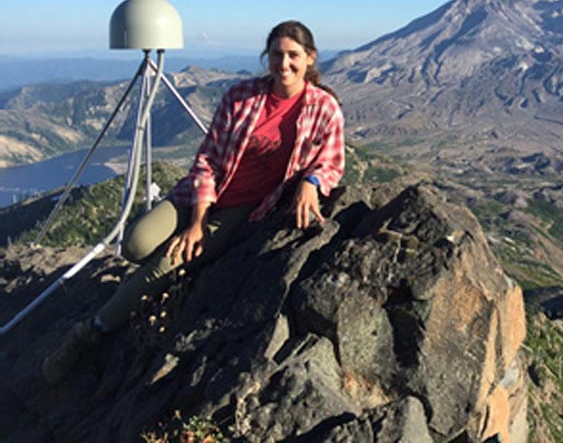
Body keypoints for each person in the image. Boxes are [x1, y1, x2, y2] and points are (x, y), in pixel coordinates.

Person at [42, 20, 344, 383]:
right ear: (267, 56)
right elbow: (207, 160)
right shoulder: (242, 96)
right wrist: (197, 221)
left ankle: (91, 331)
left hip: (243, 210)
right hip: (199, 196)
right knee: (135, 245)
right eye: (277, 54)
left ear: (310, 58)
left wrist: (311, 182)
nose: (284, 63)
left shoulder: (323, 107)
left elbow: (332, 161)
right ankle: (148, 286)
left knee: (166, 262)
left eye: (293, 55)